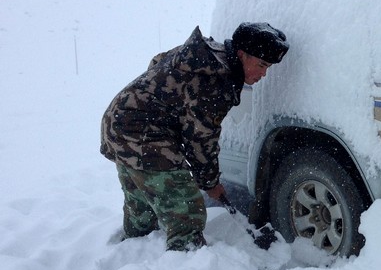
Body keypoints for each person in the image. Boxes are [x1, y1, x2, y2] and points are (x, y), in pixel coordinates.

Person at [100, 22, 289, 251]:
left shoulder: (204, 54)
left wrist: (162, 107)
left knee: (143, 206)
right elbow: (200, 140)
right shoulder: (217, 81)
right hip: (143, 135)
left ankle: (133, 251)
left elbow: (158, 62)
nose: (263, 74)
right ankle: (188, 268)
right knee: (187, 211)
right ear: (241, 54)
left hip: (118, 121)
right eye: (261, 65)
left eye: (268, 68)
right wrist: (209, 182)